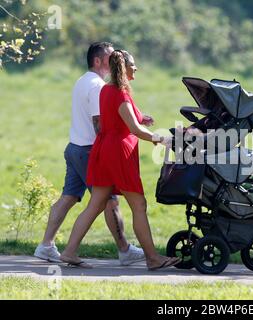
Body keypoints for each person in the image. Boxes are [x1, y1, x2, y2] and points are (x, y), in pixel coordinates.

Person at [60, 50, 180, 270]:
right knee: (139, 205)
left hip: (103, 151)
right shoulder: (121, 93)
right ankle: (153, 258)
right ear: (124, 67)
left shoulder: (106, 90)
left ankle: (69, 251)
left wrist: (142, 119)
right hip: (118, 155)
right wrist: (163, 139)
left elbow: (120, 117)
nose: (136, 68)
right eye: (133, 65)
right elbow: (134, 128)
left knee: (95, 205)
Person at [35, 42, 148, 266]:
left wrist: (138, 118)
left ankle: (46, 245)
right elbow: (100, 124)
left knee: (68, 198)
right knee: (108, 202)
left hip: (74, 147)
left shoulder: (82, 80)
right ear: (97, 61)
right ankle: (125, 250)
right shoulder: (98, 85)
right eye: (110, 56)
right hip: (89, 150)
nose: (115, 58)